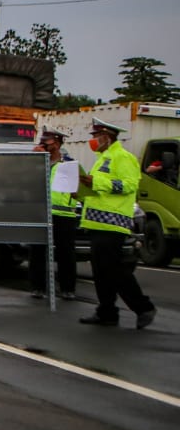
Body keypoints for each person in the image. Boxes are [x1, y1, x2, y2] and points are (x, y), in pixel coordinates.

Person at [77, 117, 156, 329]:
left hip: (113, 223)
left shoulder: (123, 157)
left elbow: (129, 185)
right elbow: (100, 192)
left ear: (107, 136)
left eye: (96, 136)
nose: (93, 140)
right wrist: (81, 193)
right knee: (100, 272)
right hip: (97, 223)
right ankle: (107, 312)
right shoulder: (102, 158)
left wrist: (96, 182)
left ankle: (143, 307)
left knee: (114, 270)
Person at [28, 130, 81, 300]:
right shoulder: (37, 162)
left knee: (66, 253)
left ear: (57, 144)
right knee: (37, 251)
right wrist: (33, 160)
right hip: (41, 212)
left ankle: (68, 289)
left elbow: (77, 191)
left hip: (63, 215)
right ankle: (37, 287)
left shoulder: (69, 164)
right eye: (42, 143)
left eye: (47, 143)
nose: (43, 145)